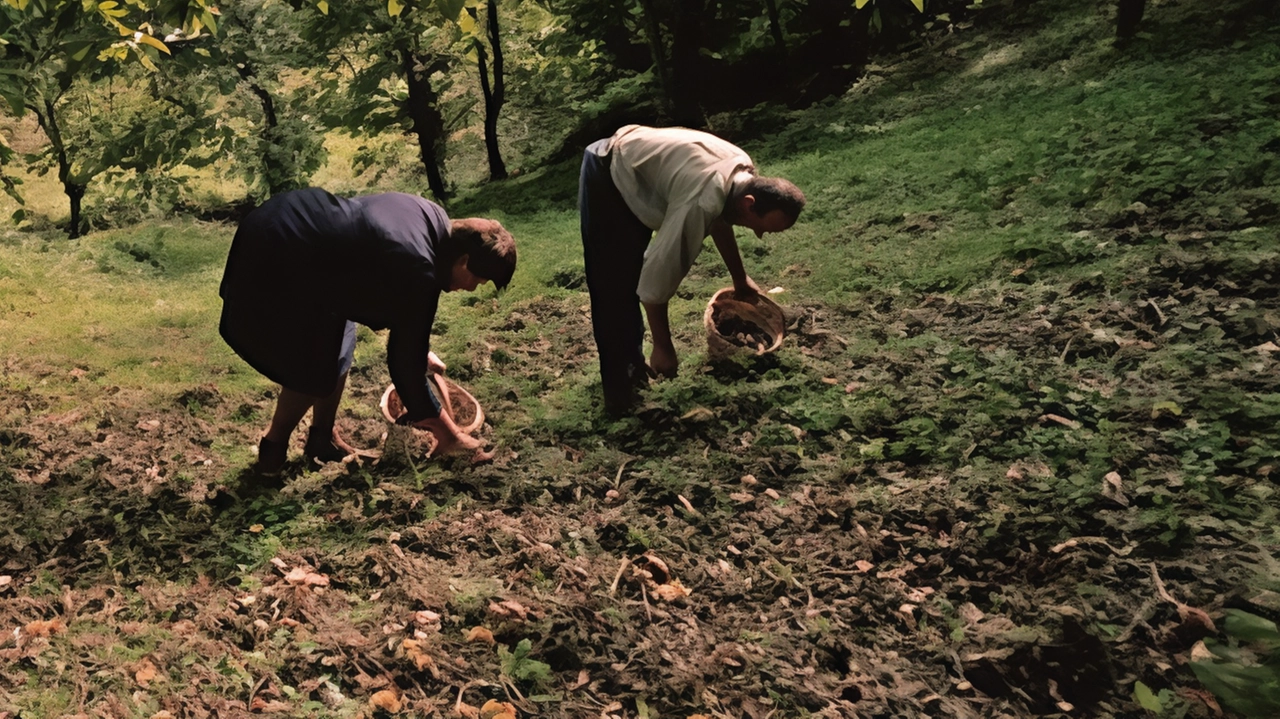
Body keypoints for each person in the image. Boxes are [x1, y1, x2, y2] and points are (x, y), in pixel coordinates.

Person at [218, 188, 516, 474]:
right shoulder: (417, 265)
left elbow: (386, 287)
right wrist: (450, 436)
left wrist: (416, 347)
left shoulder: (432, 219)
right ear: (464, 262)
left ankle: (321, 439)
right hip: (276, 254)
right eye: (478, 280)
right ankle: (273, 449)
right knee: (312, 365)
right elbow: (405, 366)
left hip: (291, 223)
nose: (471, 288)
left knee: (340, 340)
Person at [578, 124, 806, 413]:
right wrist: (663, 346)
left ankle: (633, 367)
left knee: (628, 276)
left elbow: (721, 215)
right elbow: (655, 283)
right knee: (614, 285)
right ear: (750, 204)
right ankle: (623, 394)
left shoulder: (740, 172)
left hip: (640, 167)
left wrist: (740, 278)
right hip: (608, 171)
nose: (759, 235)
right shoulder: (702, 198)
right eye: (762, 228)